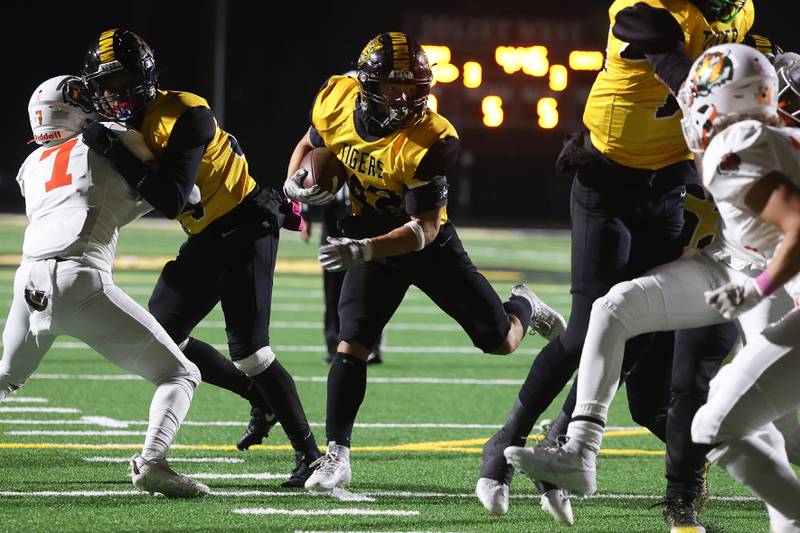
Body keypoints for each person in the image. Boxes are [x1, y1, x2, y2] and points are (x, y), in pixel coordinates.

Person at [477, 0, 755, 528]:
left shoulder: (739, 13)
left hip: (669, 185)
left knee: (640, 331)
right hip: (609, 177)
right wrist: (724, 87)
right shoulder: (645, 9)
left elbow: (748, 60)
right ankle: (507, 438)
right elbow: (676, 65)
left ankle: (565, 443)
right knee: (589, 328)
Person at [282, 31, 566, 492]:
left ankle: (524, 306)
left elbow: (425, 230)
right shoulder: (336, 97)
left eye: (415, 87)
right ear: (370, 85)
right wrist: (295, 183)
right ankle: (337, 455)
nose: (407, 97)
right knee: (352, 344)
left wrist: (363, 250)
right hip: (368, 231)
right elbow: (310, 142)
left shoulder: (431, 137)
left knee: (500, 342)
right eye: (396, 88)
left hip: (424, 247)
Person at [79, 28, 320, 486]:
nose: (119, 92)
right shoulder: (130, 122)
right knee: (166, 334)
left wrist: (110, 147)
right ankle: (259, 397)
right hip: (208, 233)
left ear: (147, 76)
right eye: (110, 83)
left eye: (128, 78)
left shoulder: (186, 114)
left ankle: (311, 454)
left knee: (251, 350)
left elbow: (170, 198)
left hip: (245, 226)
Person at [0, 75, 207, 497]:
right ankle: (152, 461)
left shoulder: (29, 167)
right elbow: (184, 195)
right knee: (180, 373)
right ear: (74, 107)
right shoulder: (113, 136)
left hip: (29, 281)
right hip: (80, 278)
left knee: (5, 376)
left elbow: (88, 202)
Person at [300, 187, 384, 365]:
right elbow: (313, 179)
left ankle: (371, 346)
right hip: (334, 229)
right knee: (333, 294)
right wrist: (305, 215)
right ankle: (334, 347)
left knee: (370, 291)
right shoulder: (331, 159)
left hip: (366, 228)